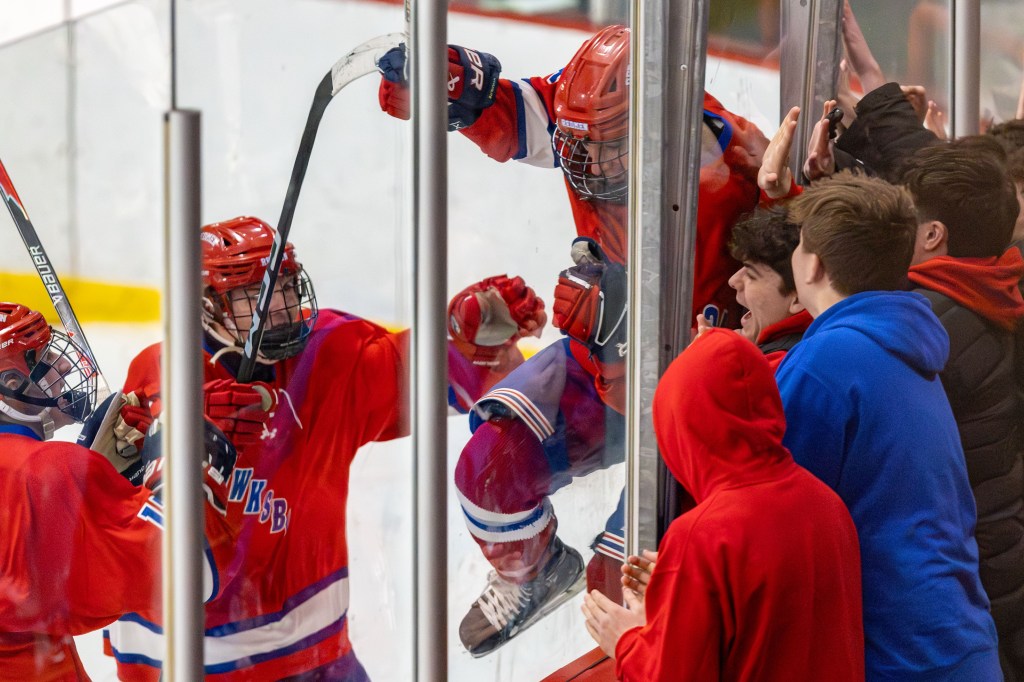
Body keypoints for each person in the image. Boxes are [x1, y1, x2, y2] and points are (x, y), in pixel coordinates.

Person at [378, 24, 776, 657]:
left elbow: (775, 324)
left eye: (606, 148)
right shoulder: (591, 112)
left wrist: (651, 329)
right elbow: (525, 118)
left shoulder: (736, 174)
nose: (583, 165)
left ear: (663, 134)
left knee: (617, 591)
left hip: (689, 404)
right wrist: (460, 95)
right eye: (576, 145)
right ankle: (537, 574)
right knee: (488, 469)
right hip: (600, 364)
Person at [104, 216, 545, 680]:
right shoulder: (167, 374)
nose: (279, 309)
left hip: (319, 657)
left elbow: (417, 376)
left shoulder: (325, 356)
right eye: (253, 299)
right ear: (207, 308)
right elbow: (146, 532)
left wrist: (471, 340)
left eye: (286, 289)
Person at [776, 172, 1001, 680]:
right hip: (955, 638)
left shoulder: (827, 360)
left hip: (899, 653)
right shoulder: (904, 337)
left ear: (812, 264)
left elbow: (770, 516)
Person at [580, 328, 864, 681]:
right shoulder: (824, 501)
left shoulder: (701, 535)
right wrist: (680, 592)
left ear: (679, 426)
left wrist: (627, 641)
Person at [0, 302, 238, 681]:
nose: (62, 365)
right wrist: (178, 468)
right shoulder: (47, 470)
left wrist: (94, 481)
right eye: (42, 357)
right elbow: (182, 571)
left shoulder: (42, 470)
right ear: (10, 385)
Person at [901, 136, 1024, 681]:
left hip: (968, 581)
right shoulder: (986, 292)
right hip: (994, 559)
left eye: (901, 215)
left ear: (932, 235)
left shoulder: (925, 326)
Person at [727, 206, 811, 368]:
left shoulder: (778, 367)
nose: (733, 281)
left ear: (798, 298)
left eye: (751, 274)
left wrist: (704, 364)